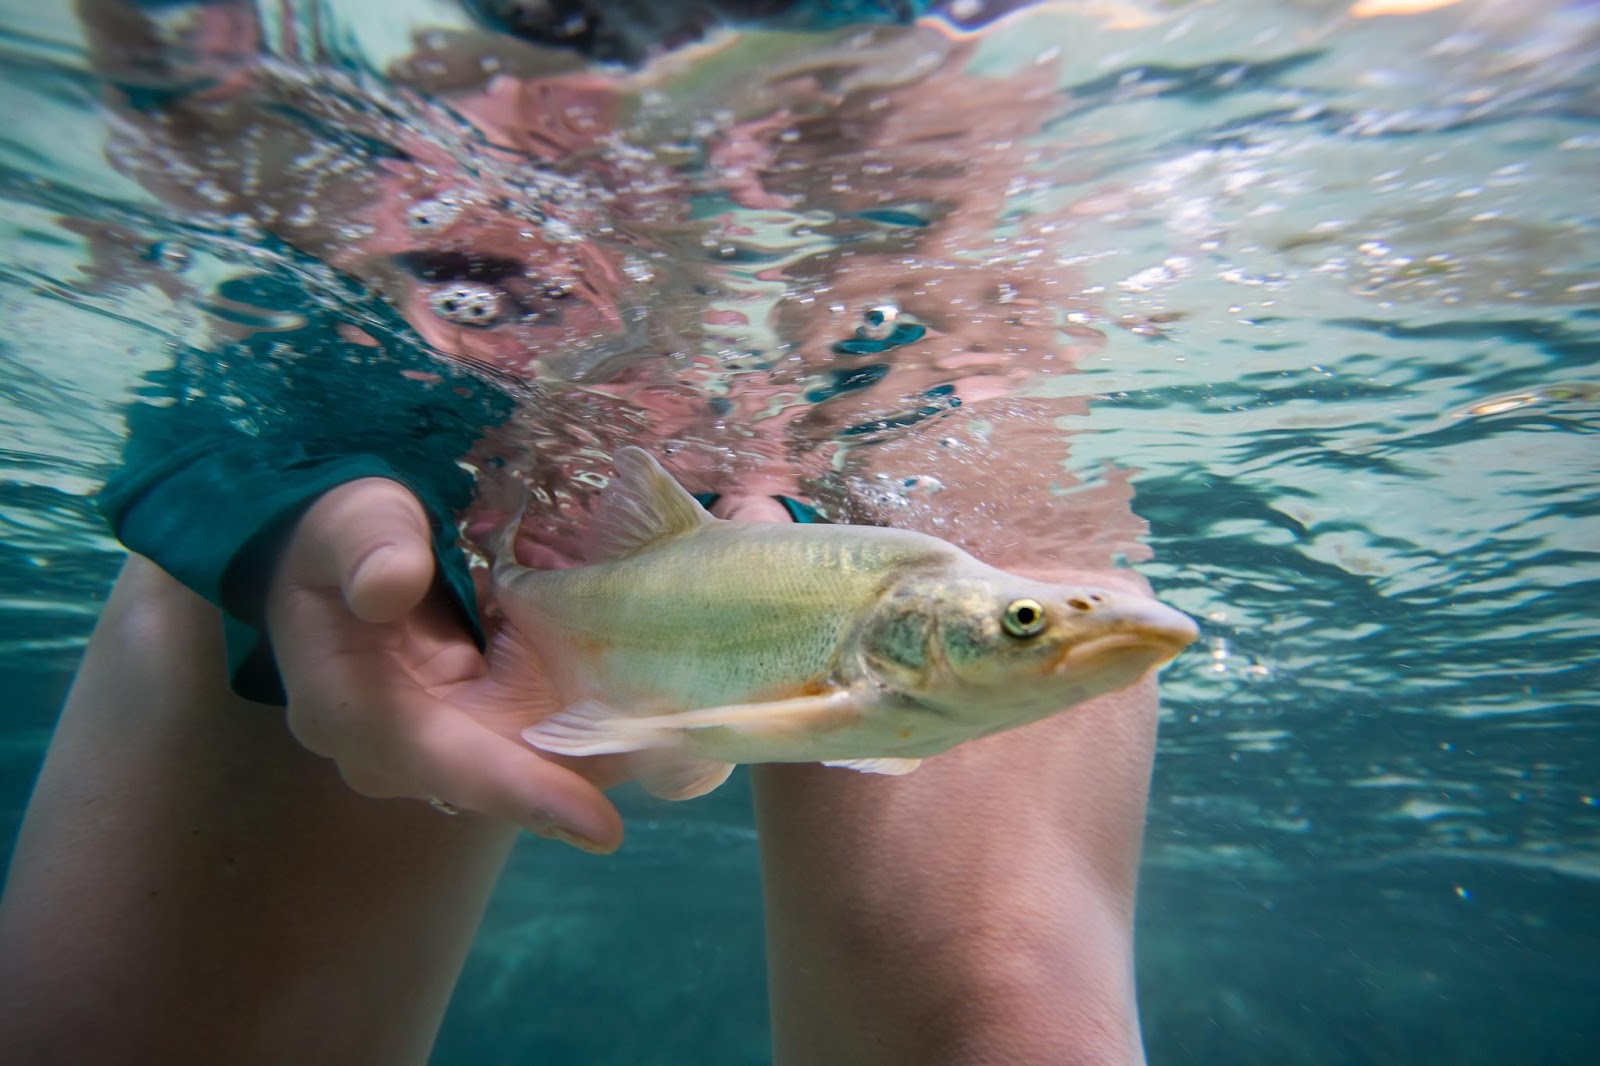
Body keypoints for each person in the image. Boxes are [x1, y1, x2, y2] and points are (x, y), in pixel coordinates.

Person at [0, 2, 1166, 1062]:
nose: (678, 105)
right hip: (454, 401)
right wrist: (275, 490)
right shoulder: (375, 158)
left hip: (918, 396)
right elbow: (199, 214)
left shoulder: (938, 235)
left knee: (1003, 1022)